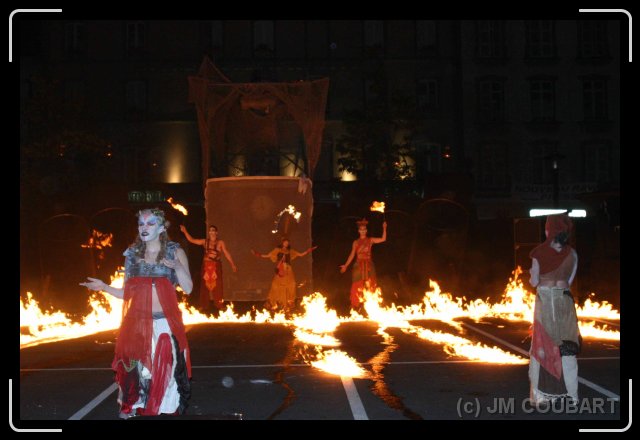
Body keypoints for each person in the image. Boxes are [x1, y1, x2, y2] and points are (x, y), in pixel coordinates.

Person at [80, 208, 193, 419]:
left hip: (164, 325)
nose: (144, 227)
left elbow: (188, 288)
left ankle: (162, 410)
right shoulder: (132, 254)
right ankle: (132, 409)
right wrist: (104, 286)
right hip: (137, 324)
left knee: (165, 373)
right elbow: (127, 293)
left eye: (150, 223)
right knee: (136, 370)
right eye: (141, 223)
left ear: (162, 227)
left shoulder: (175, 252)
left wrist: (177, 266)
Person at [528, 213, 581, 404]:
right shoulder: (573, 254)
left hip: (545, 301)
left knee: (542, 348)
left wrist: (532, 277)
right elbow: (569, 281)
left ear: (548, 229)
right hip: (565, 302)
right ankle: (573, 395)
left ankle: (541, 395)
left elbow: (534, 282)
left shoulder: (538, 252)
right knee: (568, 347)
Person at [180, 224, 237, 313]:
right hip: (206, 266)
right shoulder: (204, 241)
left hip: (216, 266)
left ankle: (219, 304)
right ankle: (203, 305)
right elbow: (192, 240)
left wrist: (232, 264)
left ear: (216, 232)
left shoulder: (220, 243)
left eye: (213, 230)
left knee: (218, 285)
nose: (211, 232)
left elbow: (226, 253)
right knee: (204, 286)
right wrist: (185, 231)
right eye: (210, 230)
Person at [252, 237, 316, 311]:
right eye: (285, 242)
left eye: (287, 242)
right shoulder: (277, 250)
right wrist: (258, 254)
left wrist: (309, 250)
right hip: (281, 269)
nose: (286, 243)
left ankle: (289, 302)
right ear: (282, 242)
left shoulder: (290, 251)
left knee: (292, 283)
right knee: (275, 285)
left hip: (288, 270)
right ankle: (273, 303)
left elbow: (300, 254)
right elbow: (268, 255)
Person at [340, 218, 387, 310]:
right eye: (361, 230)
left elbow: (383, 239)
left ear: (366, 230)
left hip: (369, 264)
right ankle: (355, 305)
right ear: (358, 231)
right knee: (356, 285)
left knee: (372, 284)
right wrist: (345, 265)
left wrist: (384, 228)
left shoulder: (371, 240)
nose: (363, 231)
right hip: (358, 265)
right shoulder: (356, 242)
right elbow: (352, 254)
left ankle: (373, 304)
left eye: (364, 229)